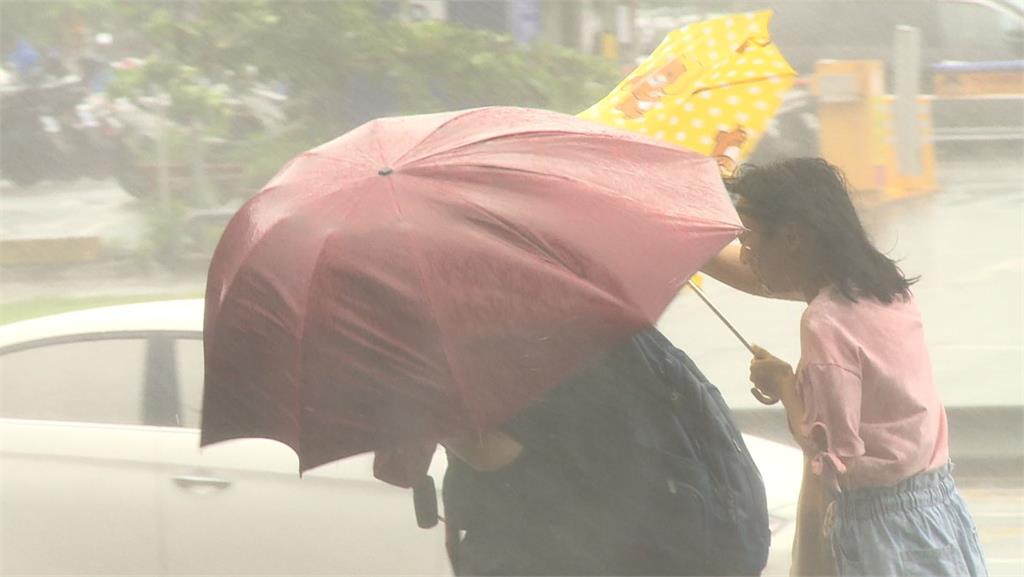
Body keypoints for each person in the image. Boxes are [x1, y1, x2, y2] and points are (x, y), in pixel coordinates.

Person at [703, 157, 987, 576]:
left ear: (793, 238)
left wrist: (785, 384)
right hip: (936, 512)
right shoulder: (882, 286)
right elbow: (755, 277)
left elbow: (831, 457)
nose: (745, 254)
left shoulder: (824, 324)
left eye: (749, 238)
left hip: (880, 531)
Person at [440, 328, 769, 576]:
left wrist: (435, 421)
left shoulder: (517, 337)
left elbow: (498, 454)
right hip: (669, 528)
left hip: (577, 545)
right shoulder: (607, 318)